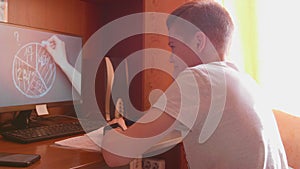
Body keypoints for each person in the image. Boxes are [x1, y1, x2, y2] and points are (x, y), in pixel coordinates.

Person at [45, 1, 289, 168]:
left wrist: (112, 131)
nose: (170, 56)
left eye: (173, 46)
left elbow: (115, 156)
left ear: (199, 41)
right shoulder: (243, 79)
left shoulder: (199, 79)